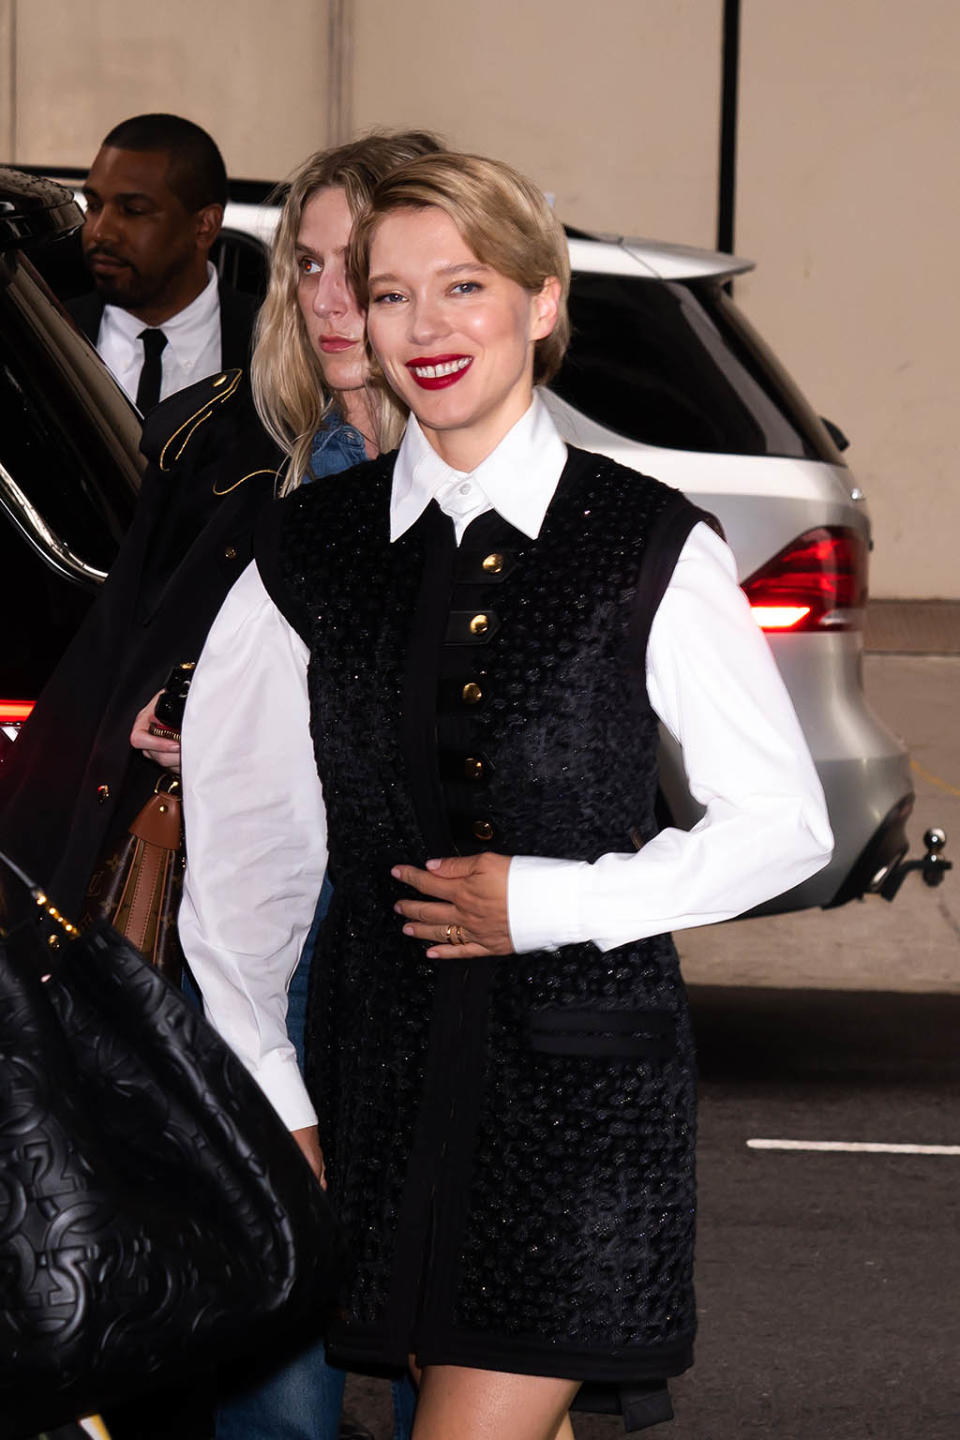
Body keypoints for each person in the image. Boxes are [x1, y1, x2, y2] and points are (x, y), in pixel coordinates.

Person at [179, 152, 834, 1439]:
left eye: (464, 286)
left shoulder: (646, 541)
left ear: (542, 303)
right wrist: (280, 1097)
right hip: (374, 1093)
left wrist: (546, 903)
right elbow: (243, 872)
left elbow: (786, 826)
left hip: (583, 1108)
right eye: (390, 295)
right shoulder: (302, 555)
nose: (425, 328)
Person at [0, 130, 440, 1440]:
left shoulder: (487, 490)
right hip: (253, 960)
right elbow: (111, 670)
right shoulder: (236, 457)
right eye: (305, 262)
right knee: (273, 1357)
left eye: (362, 264)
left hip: (428, 972)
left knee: (458, 1352)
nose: (331, 294)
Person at [68, 112, 257, 412]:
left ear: (204, 226)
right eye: (93, 206)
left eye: (133, 210)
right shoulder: (42, 336)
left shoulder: (276, 344)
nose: (100, 231)